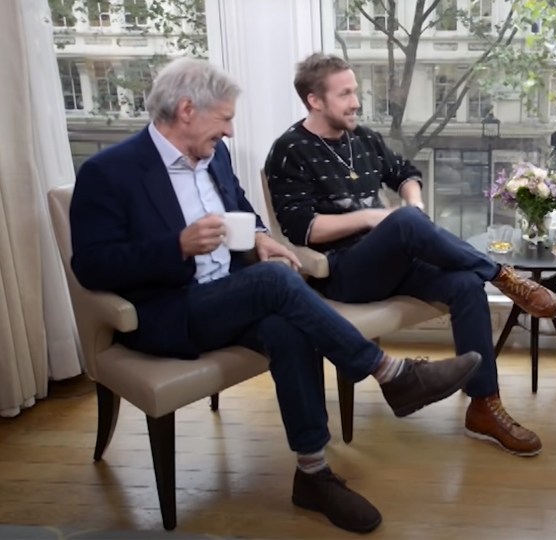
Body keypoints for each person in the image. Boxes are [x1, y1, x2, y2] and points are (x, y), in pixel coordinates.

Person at [69, 58, 486, 534]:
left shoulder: (214, 157)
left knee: (289, 323)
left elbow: (242, 208)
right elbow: (91, 265)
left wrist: (263, 239)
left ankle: (312, 474)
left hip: (227, 295)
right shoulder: (110, 171)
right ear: (186, 110)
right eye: (223, 118)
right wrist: (176, 246)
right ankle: (390, 373)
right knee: (277, 282)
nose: (229, 131)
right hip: (168, 312)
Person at [264, 53, 556, 458]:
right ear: (315, 101)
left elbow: (406, 174)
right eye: (345, 93)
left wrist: (414, 205)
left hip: (389, 262)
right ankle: (503, 276)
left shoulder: (364, 138)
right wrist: (378, 218)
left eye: (356, 90)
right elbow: (303, 229)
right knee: (402, 223)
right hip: (340, 273)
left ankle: (483, 407)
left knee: (464, 283)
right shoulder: (289, 150)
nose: (356, 101)